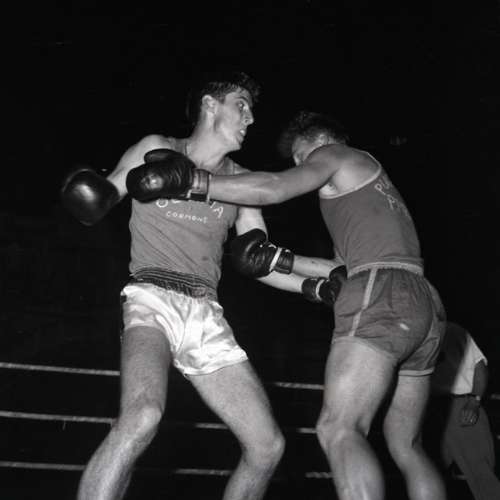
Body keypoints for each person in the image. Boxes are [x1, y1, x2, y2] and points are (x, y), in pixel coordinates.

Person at [61, 73, 345, 500]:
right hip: (151, 298)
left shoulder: (241, 182)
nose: (250, 118)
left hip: (206, 313)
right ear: (210, 105)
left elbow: (259, 261)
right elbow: (102, 197)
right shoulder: (156, 147)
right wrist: (87, 194)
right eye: (241, 105)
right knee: (142, 416)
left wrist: (316, 285)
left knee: (267, 447)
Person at [143, 109, 449, 500]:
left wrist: (193, 181)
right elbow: (343, 270)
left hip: (383, 291)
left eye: (301, 157)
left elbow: (273, 188)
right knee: (407, 444)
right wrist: (280, 260)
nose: (302, 166)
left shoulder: (334, 154)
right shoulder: (368, 185)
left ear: (317, 142)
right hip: (425, 303)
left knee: (339, 428)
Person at [428, 321, 500, 500]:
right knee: (429, 471)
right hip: (429, 408)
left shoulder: (454, 331)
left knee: (481, 474)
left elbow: (479, 367)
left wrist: (474, 402)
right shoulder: (416, 330)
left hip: (460, 406)